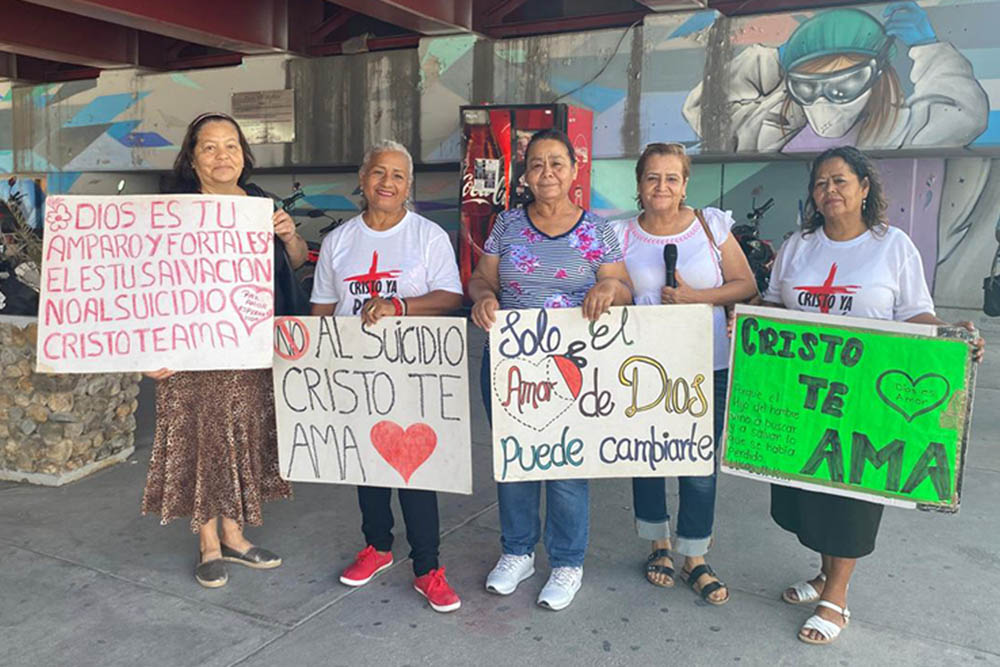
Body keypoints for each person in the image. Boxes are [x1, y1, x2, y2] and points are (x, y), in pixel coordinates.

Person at [762, 145, 985, 644]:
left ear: (865, 187)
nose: (829, 191)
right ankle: (823, 573)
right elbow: (772, 306)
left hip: (868, 399)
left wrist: (951, 337)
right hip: (806, 396)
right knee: (813, 490)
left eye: (840, 180)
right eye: (821, 183)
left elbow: (915, 315)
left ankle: (836, 597)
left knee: (853, 495)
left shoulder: (892, 246)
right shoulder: (799, 245)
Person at [142, 112, 308, 588]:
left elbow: (293, 263)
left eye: (231, 146)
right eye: (209, 147)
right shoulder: (174, 209)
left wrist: (289, 234)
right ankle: (208, 545)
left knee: (241, 439)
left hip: (249, 347)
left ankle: (235, 535)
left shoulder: (260, 202)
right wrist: (146, 350)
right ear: (192, 158)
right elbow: (144, 283)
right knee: (201, 443)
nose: (222, 156)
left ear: (244, 155)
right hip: (190, 352)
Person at [469, 128, 633, 611]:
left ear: (573, 168)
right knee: (515, 461)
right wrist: (484, 297)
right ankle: (517, 551)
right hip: (511, 363)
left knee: (564, 465)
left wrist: (610, 291)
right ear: (525, 173)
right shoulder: (507, 225)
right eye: (536, 164)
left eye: (556, 163)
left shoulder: (598, 228)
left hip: (574, 366)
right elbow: (482, 278)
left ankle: (566, 561)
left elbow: (622, 286)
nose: (546, 173)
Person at [310, 140, 464, 613]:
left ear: (408, 184)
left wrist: (400, 307)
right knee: (367, 464)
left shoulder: (428, 237)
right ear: (363, 178)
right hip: (356, 375)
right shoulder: (339, 241)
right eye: (379, 173)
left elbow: (451, 297)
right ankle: (377, 547)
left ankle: (427, 568)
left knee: (416, 470)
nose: (387, 183)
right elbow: (321, 310)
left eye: (398, 175)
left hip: (413, 373)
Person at [613, 142, 757, 605]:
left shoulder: (710, 226)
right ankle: (658, 544)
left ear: (685, 183)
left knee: (698, 463)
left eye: (671, 178)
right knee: (647, 456)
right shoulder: (619, 235)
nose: (662, 187)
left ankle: (694, 555)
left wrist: (695, 297)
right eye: (653, 177)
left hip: (705, 361)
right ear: (638, 184)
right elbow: (610, 286)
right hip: (643, 367)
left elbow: (747, 285)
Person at [682, 3, 988, 153]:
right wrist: (773, 57)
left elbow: (963, 115)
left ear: (876, 77)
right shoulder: (773, 124)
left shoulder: (905, 132)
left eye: (845, 85)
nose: (825, 101)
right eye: (807, 87)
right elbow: (705, 111)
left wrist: (928, 49)